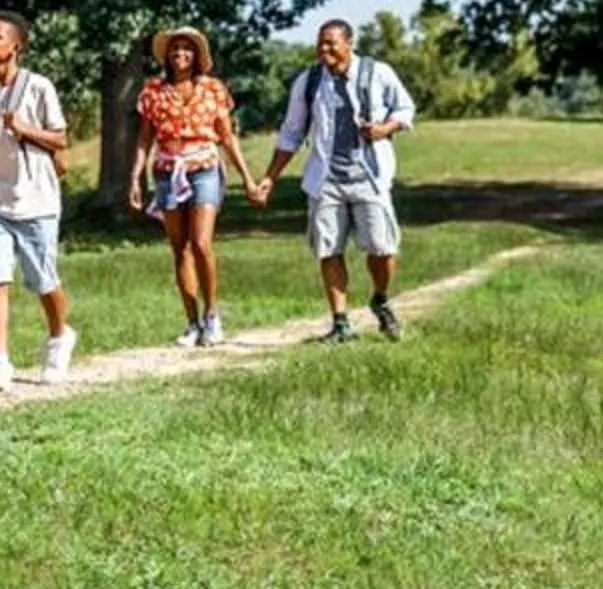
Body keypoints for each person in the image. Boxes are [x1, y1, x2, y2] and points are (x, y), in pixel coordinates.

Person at [255, 18, 419, 342]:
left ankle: (380, 297)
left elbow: (405, 108)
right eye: (320, 43)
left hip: (369, 176)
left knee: (383, 248)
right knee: (328, 249)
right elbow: (291, 132)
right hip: (325, 179)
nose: (324, 49)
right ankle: (341, 323)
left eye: (331, 43)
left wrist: (385, 129)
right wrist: (270, 177)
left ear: (349, 43)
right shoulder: (310, 80)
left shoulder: (378, 73)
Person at [0, 11, 75, 391]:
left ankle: (60, 337)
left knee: (43, 280)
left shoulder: (39, 87)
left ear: (16, 47)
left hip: (37, 200)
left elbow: (60, 140)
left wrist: (23, 127)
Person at [126, 25, 258, 346]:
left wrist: (248, 179)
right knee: (180, 248)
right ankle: (192, 322)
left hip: (204, 168)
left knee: (201, 243)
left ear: (197, 55)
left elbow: (227, 136)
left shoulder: (213, 89)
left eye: (187, 48)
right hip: (168, 171)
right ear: (167, 56)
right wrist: (135, 176)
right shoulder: (153, 91)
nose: (180, 54)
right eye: (175, 49)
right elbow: (145, 138)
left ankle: (212, 313)